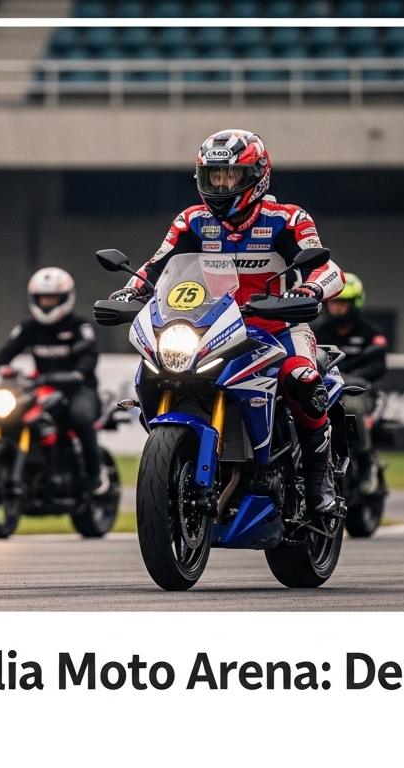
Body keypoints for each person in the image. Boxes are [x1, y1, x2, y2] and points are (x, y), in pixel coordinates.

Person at [111, 129, 345, 516]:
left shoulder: (287, 219)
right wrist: (130, 290)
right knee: (155, 373)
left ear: (256, 176)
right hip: (210, 328)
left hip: (278, 328)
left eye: (229, 175)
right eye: (213, 175)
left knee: (301, 378)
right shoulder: (192, 221)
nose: (220, 184)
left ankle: (319, 480)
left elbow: (325, 266)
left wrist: (310, 291)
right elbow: (156, 266)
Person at [0, 267, 110, 494]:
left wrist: (78, 374)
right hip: (43, 389)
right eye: (42, 298)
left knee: (80, 418)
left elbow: (89, 357)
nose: (46, 303)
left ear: (64, 298)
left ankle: (95, 475)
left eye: (52, 298)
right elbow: (7, 351)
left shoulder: (80, 327)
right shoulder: (28, 327)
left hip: (80, 390)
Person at [311, 272, 388, 493]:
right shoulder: (318, 331)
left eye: (343, 304)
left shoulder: (371, 332)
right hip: (325, 388)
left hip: (358, 389)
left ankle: (365, 464)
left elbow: (379, 365)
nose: (337, 309)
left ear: (355, 304)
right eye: (334, 303)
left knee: (351, 409)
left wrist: (355, 376)